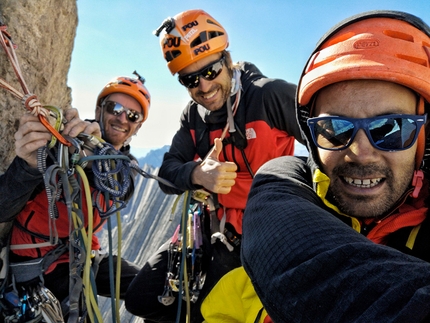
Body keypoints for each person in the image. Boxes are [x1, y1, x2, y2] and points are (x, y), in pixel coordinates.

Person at [240, 10, 430, 322]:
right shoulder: (285, 182)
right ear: (312, 140)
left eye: (391, 128)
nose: (360, 152)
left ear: (425, 137)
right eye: (334, 129)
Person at [125, 8, 303, 323]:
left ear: (227, 60)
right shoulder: (193, 117)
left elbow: (328, 144)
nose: (203, 88)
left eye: (210, 71)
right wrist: (198, 174)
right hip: (213, 234)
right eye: (190, 80)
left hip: (269, 238)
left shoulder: (269, 96)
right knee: (140, 300)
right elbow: (167, 174)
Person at [0, 73, 151, 320]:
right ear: (99, 109)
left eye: (132, 115)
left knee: (155, 291)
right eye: (116, 107)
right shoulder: (63, 141)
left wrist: (94, 162)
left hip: (83, 256)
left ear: (138, 125)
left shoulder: (126, 166)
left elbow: (122, 184)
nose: (122, 118)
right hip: (39, 263)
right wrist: (28, 165)